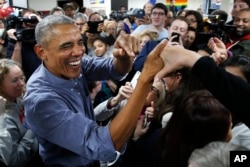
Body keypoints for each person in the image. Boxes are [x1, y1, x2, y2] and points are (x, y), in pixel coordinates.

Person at [23, 14, 167, 166]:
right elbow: (103, 144)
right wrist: (146, 79)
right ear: (41, 52)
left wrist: (124, 56)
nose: (78, 51)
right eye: (66, 46)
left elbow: (114, 69)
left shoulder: (73, 63)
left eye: (80, 42)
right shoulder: (40, 101)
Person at [0, 59, 40, 167]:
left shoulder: (20, 98)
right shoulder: (4, 119)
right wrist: (32, 127)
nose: (22, 83)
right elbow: (14, 161)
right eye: (15, 80)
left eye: (22, 78)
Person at [6, 8, 42, 81]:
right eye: (26, 22)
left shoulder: (44, 39)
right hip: (26, 84)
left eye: (33, 21)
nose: (29, 25)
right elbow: (14, 69)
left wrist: (41, 24)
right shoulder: (14, 42)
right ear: (22, 23)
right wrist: (18, 41)